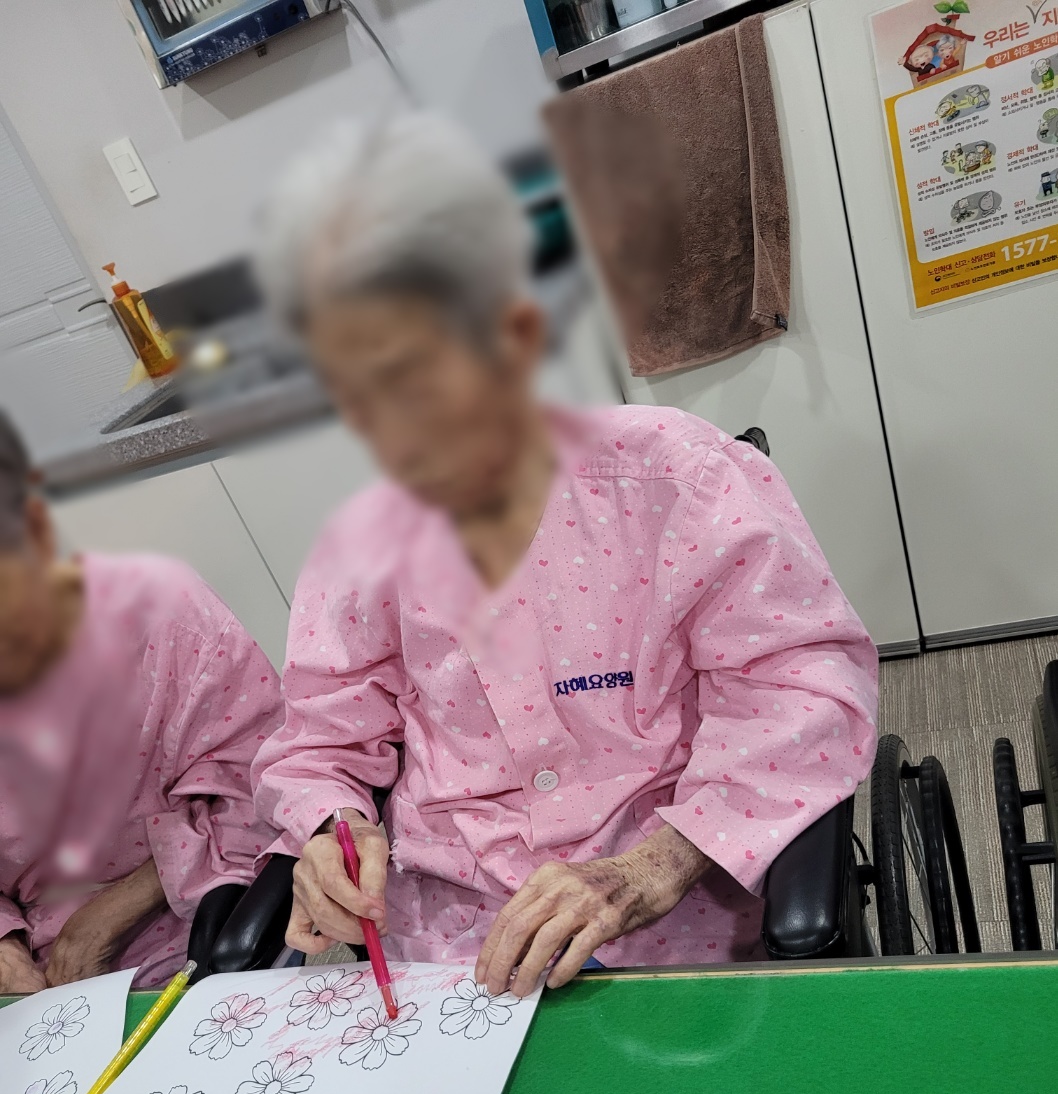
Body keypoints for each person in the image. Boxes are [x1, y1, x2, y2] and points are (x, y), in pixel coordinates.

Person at [252, 114, 879, 999]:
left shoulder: (678, 475)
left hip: (672, 923)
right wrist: (332, 829)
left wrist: (655, 867)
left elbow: (805, 688)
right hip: (451, 951)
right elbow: (320, 739)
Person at [0, 414, 281, 992]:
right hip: (36, 978)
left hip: (200, 925)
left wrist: (105, 917)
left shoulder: (164, 616)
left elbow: (261, 794)